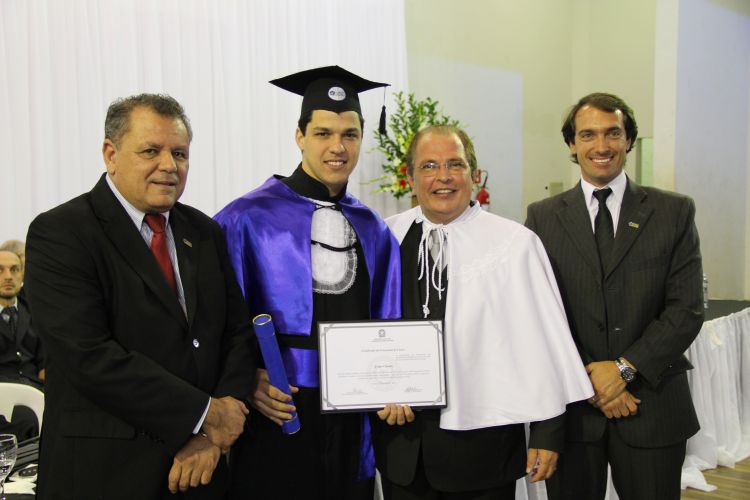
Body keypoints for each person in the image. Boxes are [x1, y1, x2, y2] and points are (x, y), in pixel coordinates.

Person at [24, 93, 257, 499]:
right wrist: (204, 415)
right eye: (151, 151)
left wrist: (215, 430)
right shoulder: (61, 232)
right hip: (106, 474)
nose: (169, 165)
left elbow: (236, 333)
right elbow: (90, 356)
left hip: (203, 471)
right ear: (110, 154)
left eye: (179, 154)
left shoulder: (204, 232)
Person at [374, 125, 593, 500]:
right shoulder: (383, 238)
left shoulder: (515, 244)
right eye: (429, 166)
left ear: (474, 175)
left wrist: (547, 432)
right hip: (403, 448)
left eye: (454, 164)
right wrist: (379, 392)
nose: (443, 176)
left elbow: (545, 342)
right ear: (410, 178)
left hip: (485, 449)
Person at [214, 65, 401, 500]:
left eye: (350, 134)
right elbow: (217, 321)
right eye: (322, 133)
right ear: (299, 136)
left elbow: (389, 322)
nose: (338, 147)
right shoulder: (246, 218)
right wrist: (245, 381)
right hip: (277, 409)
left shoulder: (373, 228)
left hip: (353, 413)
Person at [525, 92, 703, 500]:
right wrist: (591, 379)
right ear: (572, 145)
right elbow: (538, 313)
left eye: (612, 133)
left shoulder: (674, 212)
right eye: (588, 135)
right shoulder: (542, 217)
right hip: (572, 411)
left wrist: (623, 370)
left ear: (629, 140)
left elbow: (686, 309)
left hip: (651, 407)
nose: (601, 146)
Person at [0, 249, 43, 440]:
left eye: (14, 269)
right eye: (0, 270)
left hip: (37, 390)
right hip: (4, 395)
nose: (8, 276)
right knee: (26, 420)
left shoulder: (35, 312)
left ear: (23, 274)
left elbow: (46, 362)